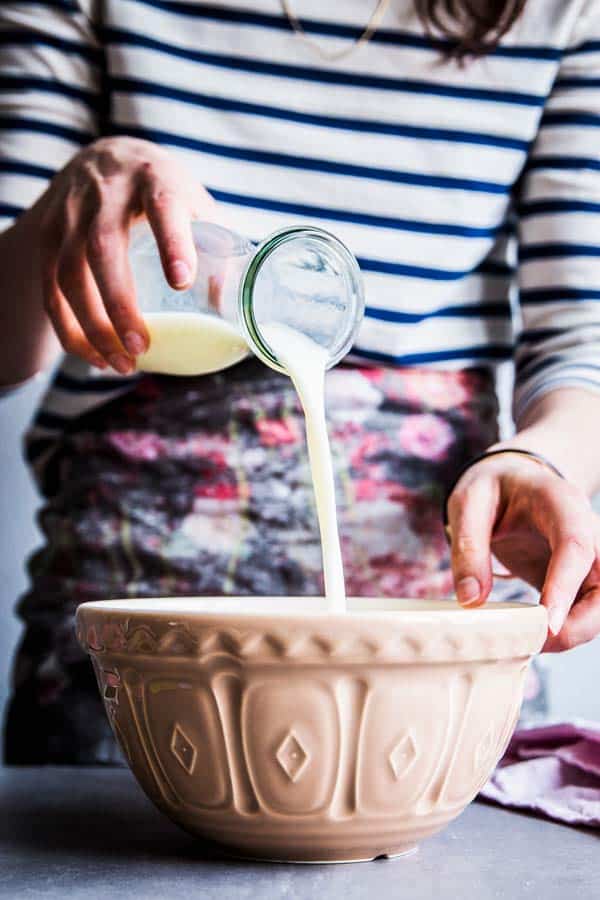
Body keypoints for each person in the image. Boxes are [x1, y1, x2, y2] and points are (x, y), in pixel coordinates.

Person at [2, 0, 600, 764]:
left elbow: (582, 338)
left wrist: (540, 461)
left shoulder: (562, 11)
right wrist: (62, 205)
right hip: (141, 668)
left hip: (435, 668)